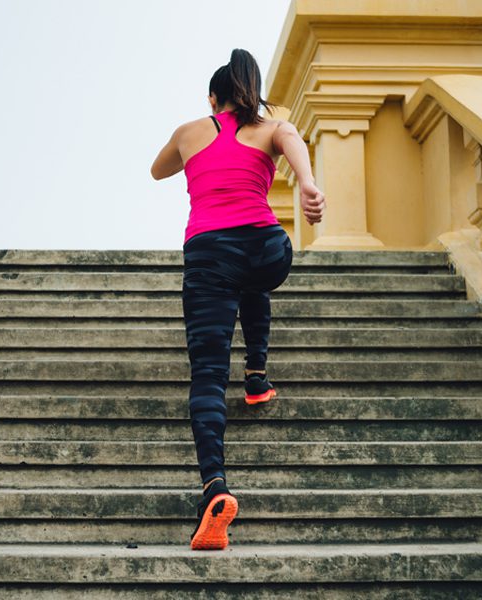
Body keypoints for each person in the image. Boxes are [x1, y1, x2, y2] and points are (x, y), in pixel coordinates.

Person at [150, 48, 326, 551]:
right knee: (252, 279)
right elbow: (292, 138)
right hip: (267, 248)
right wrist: (308, 185)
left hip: (208, 253)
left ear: (213, 97)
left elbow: (157, 170)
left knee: (206, 374)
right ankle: (255, 376)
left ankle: (214, 491)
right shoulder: (271, 126)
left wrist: (196, 140)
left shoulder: (189, 131)